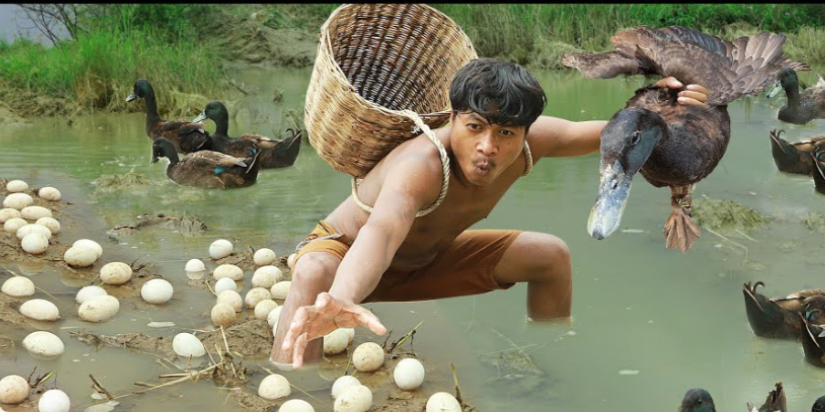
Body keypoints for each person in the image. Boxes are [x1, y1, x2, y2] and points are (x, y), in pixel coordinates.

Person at [272, 58, 708, 369]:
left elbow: (623, 132)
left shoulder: (537, 143)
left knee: (549, 255)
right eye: (475, 127)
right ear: (454, 119)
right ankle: (293, 382)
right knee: (313, 273)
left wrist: (677, 107)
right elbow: (382, 233)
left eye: (505, 133)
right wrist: (345, 296)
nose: (488, 148)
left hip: (429, 260)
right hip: (352, 258)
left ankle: (551, 357)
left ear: (526, 133)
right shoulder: (421, 165)